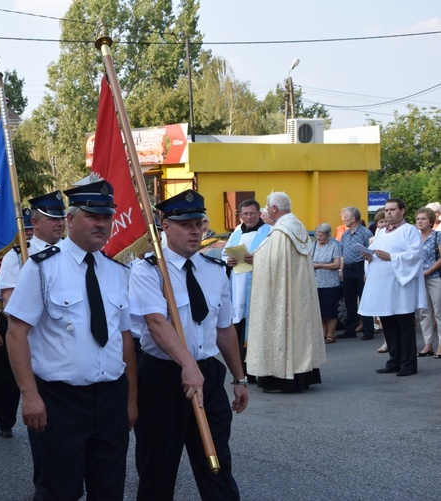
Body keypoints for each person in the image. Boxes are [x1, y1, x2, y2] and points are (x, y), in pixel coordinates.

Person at [5, 180, 137, 501]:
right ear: (71, 219)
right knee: (59, 491)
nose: (101, 224)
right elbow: (16, 333)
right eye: (93, 216)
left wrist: (131, 399)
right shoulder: (41, 268)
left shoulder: (118, 271)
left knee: (109, 490)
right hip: (60, 401)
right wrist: (30, 395)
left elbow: (125, 339)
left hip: (110, 399)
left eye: (106, 217)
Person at [129, 189, 248, 500]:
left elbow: (224, 330)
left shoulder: (215, 269)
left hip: (206, 377)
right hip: (163, 379)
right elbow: (156, 324)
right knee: (158, 470)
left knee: (217, 465)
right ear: (165, 226)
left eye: (200, 223)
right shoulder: (148, 269)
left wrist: (239, 378)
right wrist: (187, 365)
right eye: (186, 224)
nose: (195, 231)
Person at [0, 193, 66, 439]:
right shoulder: (17, 256)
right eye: (52, 218)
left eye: (62, 217)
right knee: (8, 378)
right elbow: (9, 299)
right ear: (35, 223)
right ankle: (5, 419)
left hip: (57, 337)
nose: (60, 223)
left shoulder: (69, 254)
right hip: (25, 333)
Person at [247, 192, 326, 392]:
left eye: (267, 206)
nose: (265, 209)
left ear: (274, 209)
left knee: (282, 327)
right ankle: (302, 375)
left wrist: (254, 257)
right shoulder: (297, 226)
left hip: (283, 292)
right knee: (298, 329)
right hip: (299, 293)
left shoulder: (282, 231)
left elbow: (273, 262)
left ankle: (282, 377)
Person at [359, 199, 425, 376]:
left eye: (392, 209)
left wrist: (392, 257)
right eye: (386, 210)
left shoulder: (410, 230)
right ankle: (394, 360)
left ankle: (408, 365)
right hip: (382, 287)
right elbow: (375, 253)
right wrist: (369, 257)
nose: (388, 213)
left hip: (400, 287)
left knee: (404, 325)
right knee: (388, 325)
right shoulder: (380, 232)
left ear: (402, 211)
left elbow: (415, 255)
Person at [222, 198, 271, 378]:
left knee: (256, 327)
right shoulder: (236, 232)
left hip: (257, 286)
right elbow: (223, 254)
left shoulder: (269, 232)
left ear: (259, 214)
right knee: (238, 328)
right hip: (237, 285)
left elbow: (274, 258)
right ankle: (242, 371)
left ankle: (260, 370)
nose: (249, 217)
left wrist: (258, 259)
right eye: (245, 214)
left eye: (252, 213)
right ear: (240, 216)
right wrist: (228, 261)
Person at [336, 206, 376, 340]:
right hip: (348, 268)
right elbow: (341, 253)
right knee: (349, 300)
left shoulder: (365, 233)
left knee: (364, 298)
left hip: (361, 267)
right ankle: (350, 329)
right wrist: (341, 269)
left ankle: (368, 330)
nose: (343, 219)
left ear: (353, 219)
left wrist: (367, 270)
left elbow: (371, 253)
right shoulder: (345, 235)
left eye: (345, 217)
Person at [413, 207, 441, 357]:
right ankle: (428, 344)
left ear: (430, 221)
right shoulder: (414, 238)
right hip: (419, 279)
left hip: (435, 277)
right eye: (418, 219)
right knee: (424, 312)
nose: (420, 221)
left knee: (439, 312)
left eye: (423, 219)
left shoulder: (438, 236)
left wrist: (429, 271)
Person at [312, 223, 342, 344]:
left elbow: (337, 264)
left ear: (328, 235)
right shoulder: (313, 245)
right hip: (316, 282)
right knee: (320, 310)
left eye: (321, 235)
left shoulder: (334, 245)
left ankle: (331, 334)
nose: (318, 238)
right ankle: (323, 333)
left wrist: (319, 265)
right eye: (317, 235)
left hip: (330, 283)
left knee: (330, 309)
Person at [370, 210, 389, 353]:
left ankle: (389, 342)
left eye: (385, 221)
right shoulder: (373, 240)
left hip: (389, 278)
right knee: (381, 313)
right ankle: (386, 341)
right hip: (377, 278)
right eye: (380, 222)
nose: (383, 224)